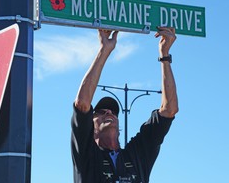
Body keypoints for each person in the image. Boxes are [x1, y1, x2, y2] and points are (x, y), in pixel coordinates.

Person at [71, 27, 178, 183]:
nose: (108, 112)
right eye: (100, 111)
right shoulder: (87, 154)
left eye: (113, 112)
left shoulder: (137, 154)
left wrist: (165, 55)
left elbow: (169, 110)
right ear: (90, 127)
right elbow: (82, 104)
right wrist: (105, 50)